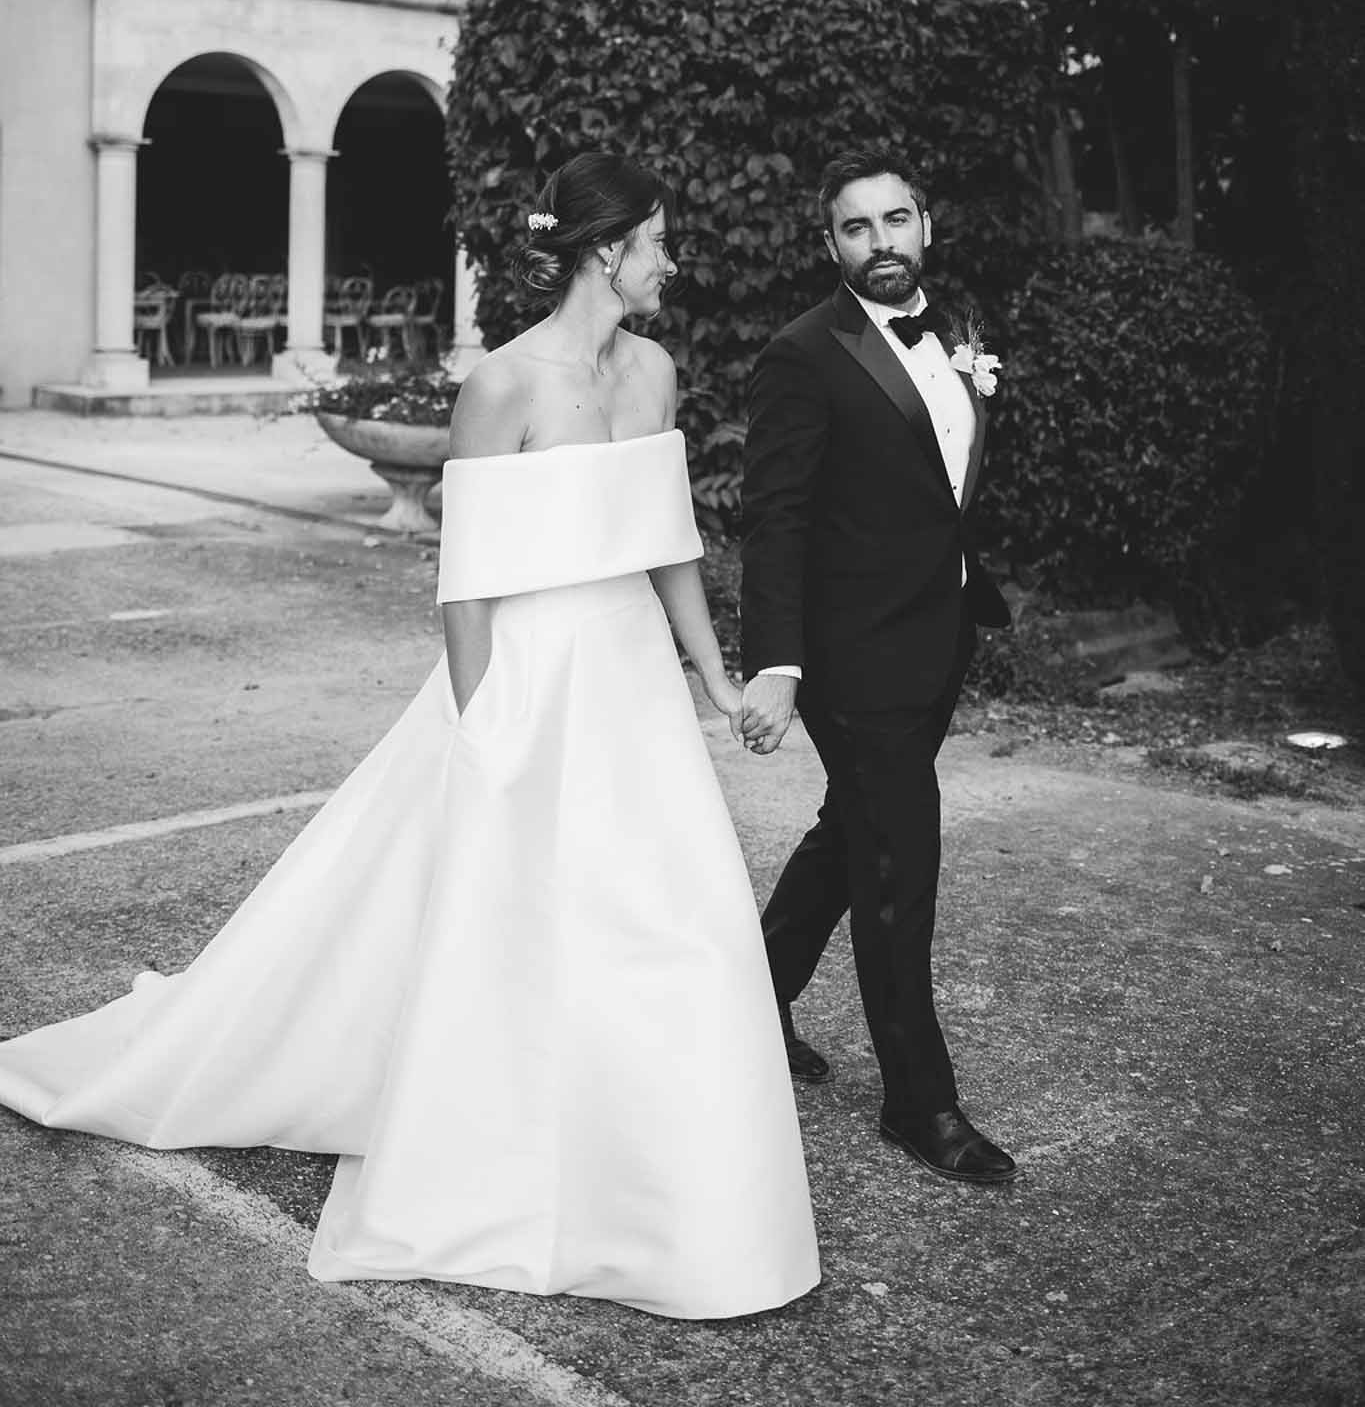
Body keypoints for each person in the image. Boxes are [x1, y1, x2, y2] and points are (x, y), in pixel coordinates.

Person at [0, 152, 819, 1320]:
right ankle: (497, 1146)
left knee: (674, 919)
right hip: (524, 676)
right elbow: (466, 581)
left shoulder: (657, 373)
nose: (668, 262)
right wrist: (485, 731)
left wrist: (716, 676)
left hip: (629, 677)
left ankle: (658, 1174)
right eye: (656, 242)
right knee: (510, 915)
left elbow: (667, 540)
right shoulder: (503, 384)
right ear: (605, 250)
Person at [739, 147, 1017, 1186]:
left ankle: (750, 994)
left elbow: (944, 478)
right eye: (856, 227)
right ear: (831, 243)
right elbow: (776, 516)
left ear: (926, 226)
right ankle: (920, 1101)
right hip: (852, 659)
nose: (881, 240)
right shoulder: (803, 354)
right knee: (900, 862)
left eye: (896, 218)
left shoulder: (958, 329)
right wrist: (776, 660)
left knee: (854, 829)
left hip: (938, 633)